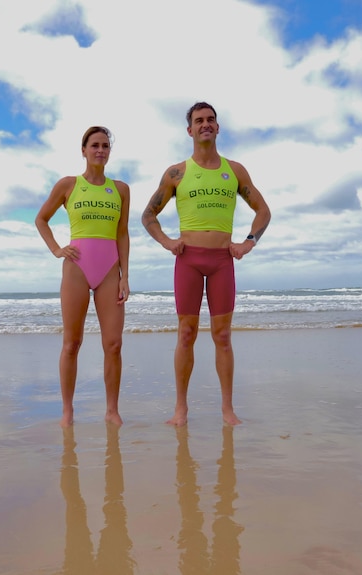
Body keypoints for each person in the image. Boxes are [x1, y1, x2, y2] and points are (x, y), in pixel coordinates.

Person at [142, 102, 271, 426]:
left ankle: (227, 409)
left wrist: (249, 242)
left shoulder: (235, 171)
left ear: (218, 127)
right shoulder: (177, 173)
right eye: (199, 121)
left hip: (221, 262)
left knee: (223, 336)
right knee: (186, 334)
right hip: (188, 260)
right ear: (189, 130)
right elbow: (148, 216)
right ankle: (180, 409)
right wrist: (167, 242)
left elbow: (263, 211)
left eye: (211, 120)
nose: (205, 124)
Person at [36, 126, 130, 427]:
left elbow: (123, 233)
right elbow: (41, 219)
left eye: (105, 145)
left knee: (113, 344)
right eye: (94, 145)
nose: (100, 150)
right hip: (76, 268)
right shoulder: (68, 185)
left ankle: (112, 410)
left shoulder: (121, 189)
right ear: (84, 150)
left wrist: (124, 275)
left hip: (109, 271)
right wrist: (56, 249)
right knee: (71, 343)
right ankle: (67, 410)